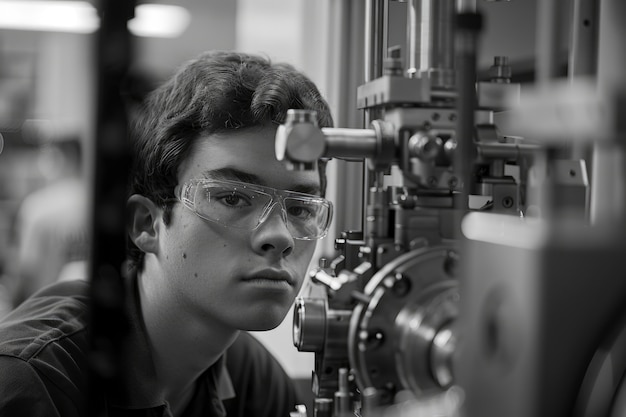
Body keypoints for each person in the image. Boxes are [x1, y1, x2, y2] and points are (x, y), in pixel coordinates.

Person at [0, 50, 334, 416]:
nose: (280, 236)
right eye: (234, 198)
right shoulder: (33, 380)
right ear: (147, 224)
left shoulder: (251, 378)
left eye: (300, 208)